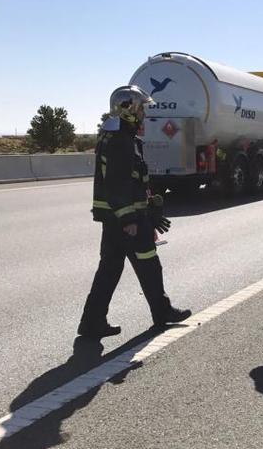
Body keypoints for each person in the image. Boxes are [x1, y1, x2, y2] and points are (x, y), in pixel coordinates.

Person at [78, 85, 191, 338]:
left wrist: (152, 208)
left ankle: (91, 322)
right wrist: (130, 217)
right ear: (128, 109)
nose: (144, 115)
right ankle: (162, 313)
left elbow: (134, 181)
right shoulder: (120, 141)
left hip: (116, 219)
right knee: (149, 264)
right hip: (125, 220)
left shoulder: (123, 137)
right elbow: (117, 184)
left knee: (109, 270)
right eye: (141, 109)